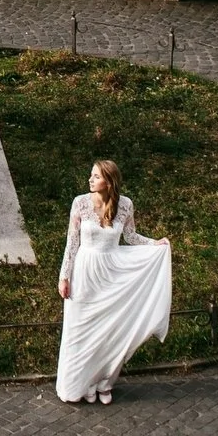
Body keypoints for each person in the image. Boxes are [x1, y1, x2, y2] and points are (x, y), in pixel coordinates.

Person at [54, 158, 172, 404]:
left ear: (109, 181)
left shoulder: (125, 204)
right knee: (81, 330)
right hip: (84, 273)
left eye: (96, 176)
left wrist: (155, 244)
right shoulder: (80, 203)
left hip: (112, 273)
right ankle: (81, 383)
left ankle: (103, 381)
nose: (90, 179)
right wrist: (64, 276)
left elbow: (129, 236)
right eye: (91, 175)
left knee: (108, 330)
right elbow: (72, 242)